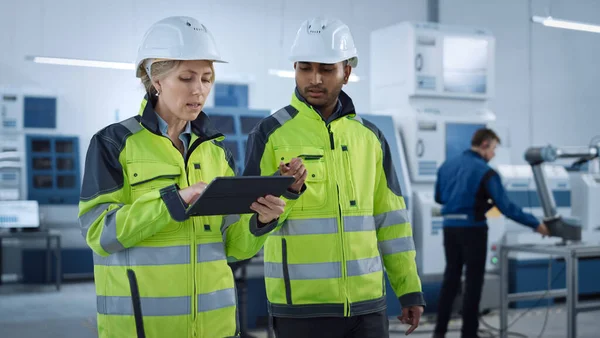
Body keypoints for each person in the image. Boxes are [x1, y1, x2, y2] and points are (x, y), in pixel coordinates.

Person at [77, 16, 306, 338]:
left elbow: (233, 248)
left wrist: (261, 222)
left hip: (215, 325)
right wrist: (174, 200)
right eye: (186, 78)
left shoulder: (217, 151)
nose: (199, 90)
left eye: (207, 78)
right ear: (155, 79)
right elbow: (100, 235)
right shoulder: (113, 143)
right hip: (144, 325)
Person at [243, 17, 425, 338]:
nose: (314, 79)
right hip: (299, 308)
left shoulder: (371, 138)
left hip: (367, 307)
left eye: (326, 69)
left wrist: (408, 289)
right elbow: (243, 227)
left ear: (347, 73)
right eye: (304, 68)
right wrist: (281, 191)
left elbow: (391, 222)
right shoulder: (269, 134)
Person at [433, 128, 550, 338]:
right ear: (485, 144)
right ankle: (469, 334)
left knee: (450, 278)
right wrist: (535, 224)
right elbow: (506, 207)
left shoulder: (446, 166)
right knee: (473, 282)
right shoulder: (486, 172)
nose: (494, 154)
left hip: (450, 229)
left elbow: (440, 198)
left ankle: (439, 333)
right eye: (494, 148)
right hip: (473, 231)